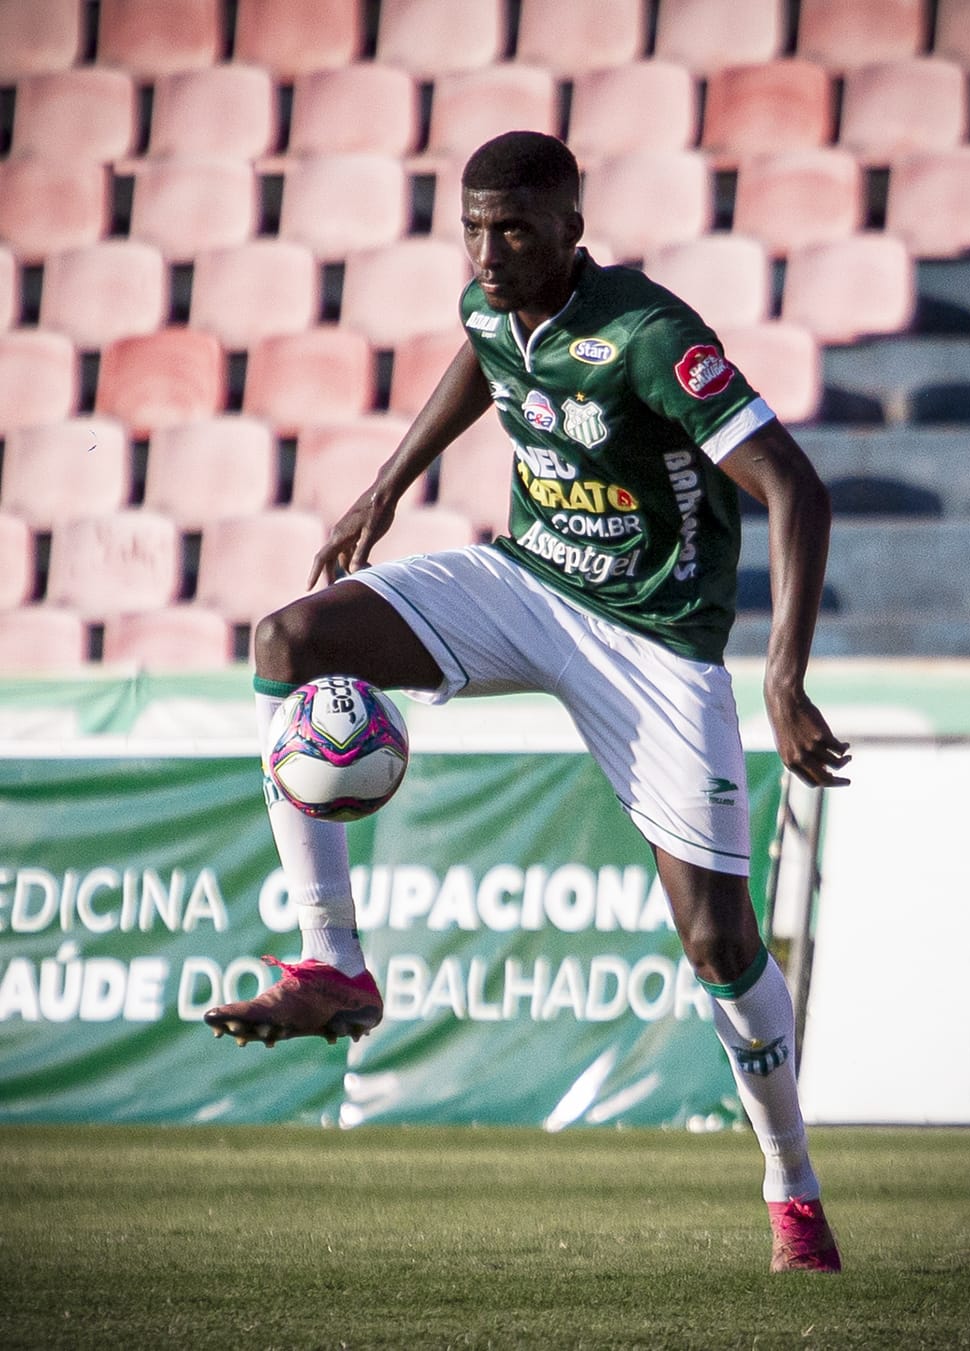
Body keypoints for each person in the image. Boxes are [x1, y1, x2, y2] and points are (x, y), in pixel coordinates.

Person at [205, 131, 851, 1273]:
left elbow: (793, 481)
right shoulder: (492, 302)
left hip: (653, 644)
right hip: (527, 583)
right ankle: (334, 964)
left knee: (718, 939)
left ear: (571, 233)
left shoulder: (649, 338)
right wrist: (385, 487)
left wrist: (783, 673)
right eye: (473, 227)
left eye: (512, 231)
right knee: (291, 638)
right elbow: (483, 352)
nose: (488, 253)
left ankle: (790, 1184)